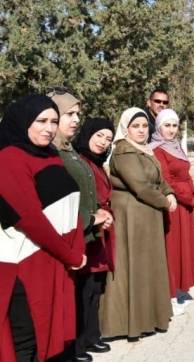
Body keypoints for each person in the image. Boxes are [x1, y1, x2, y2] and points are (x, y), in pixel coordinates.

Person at [0, 94, 86, 361]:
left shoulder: (51, 155)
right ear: (23, 121)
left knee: (50, 341)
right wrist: (70, 254)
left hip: (54, 262)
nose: (49, 128)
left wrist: (77, 247)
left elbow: (71, 205)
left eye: (53, 121)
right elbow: (30, 219)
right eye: (41, 121)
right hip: (25, 264)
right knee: (26, 342)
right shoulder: (10, 158)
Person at [48, 90, 115, 361]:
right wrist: (90, 216)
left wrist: (95, 215)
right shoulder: (52, 152)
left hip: (83, 233)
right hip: (67, 234)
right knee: (73, 294)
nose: (75, 120)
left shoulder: (68, 150)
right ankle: (73, 346)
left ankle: (85, 339)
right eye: (69, 114)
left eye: (78, 114)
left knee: (88, 290)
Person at [100, 107, 175, 341]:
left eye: (144, 126)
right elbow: (140, 185)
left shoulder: (144, 150)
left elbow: (158, 178)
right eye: (136, 126)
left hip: (146, 214)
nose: (141, 130)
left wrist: (169, 192)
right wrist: (165, 201)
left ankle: (150, 317)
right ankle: (130, 323)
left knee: (147, 267)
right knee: (134, 267)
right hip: (132, 216)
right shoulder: (124, 151)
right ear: (126, 128)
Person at [72, 117, 118, 359]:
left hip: (101, 231)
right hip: (87, 230)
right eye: (99, 135)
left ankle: (92, 336)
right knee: (83, 289)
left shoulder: (98, 163)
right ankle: (79, 343)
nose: (103, 142)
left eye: (108, 139)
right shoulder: (80, 161)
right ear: (88, 134)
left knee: (95, 288)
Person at [150, 109, 194, 315]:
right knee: (171, 250)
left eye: (174, 125)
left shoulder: (176, 146)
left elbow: (186, 173)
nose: (171, 130)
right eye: (167, 126)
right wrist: (188, 198)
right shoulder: (157, 149)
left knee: (183, 248)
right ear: (159, 127)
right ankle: (168, 296)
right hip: (172, 204)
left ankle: (178, 290)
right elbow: (167, 180)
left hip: (185, 205)